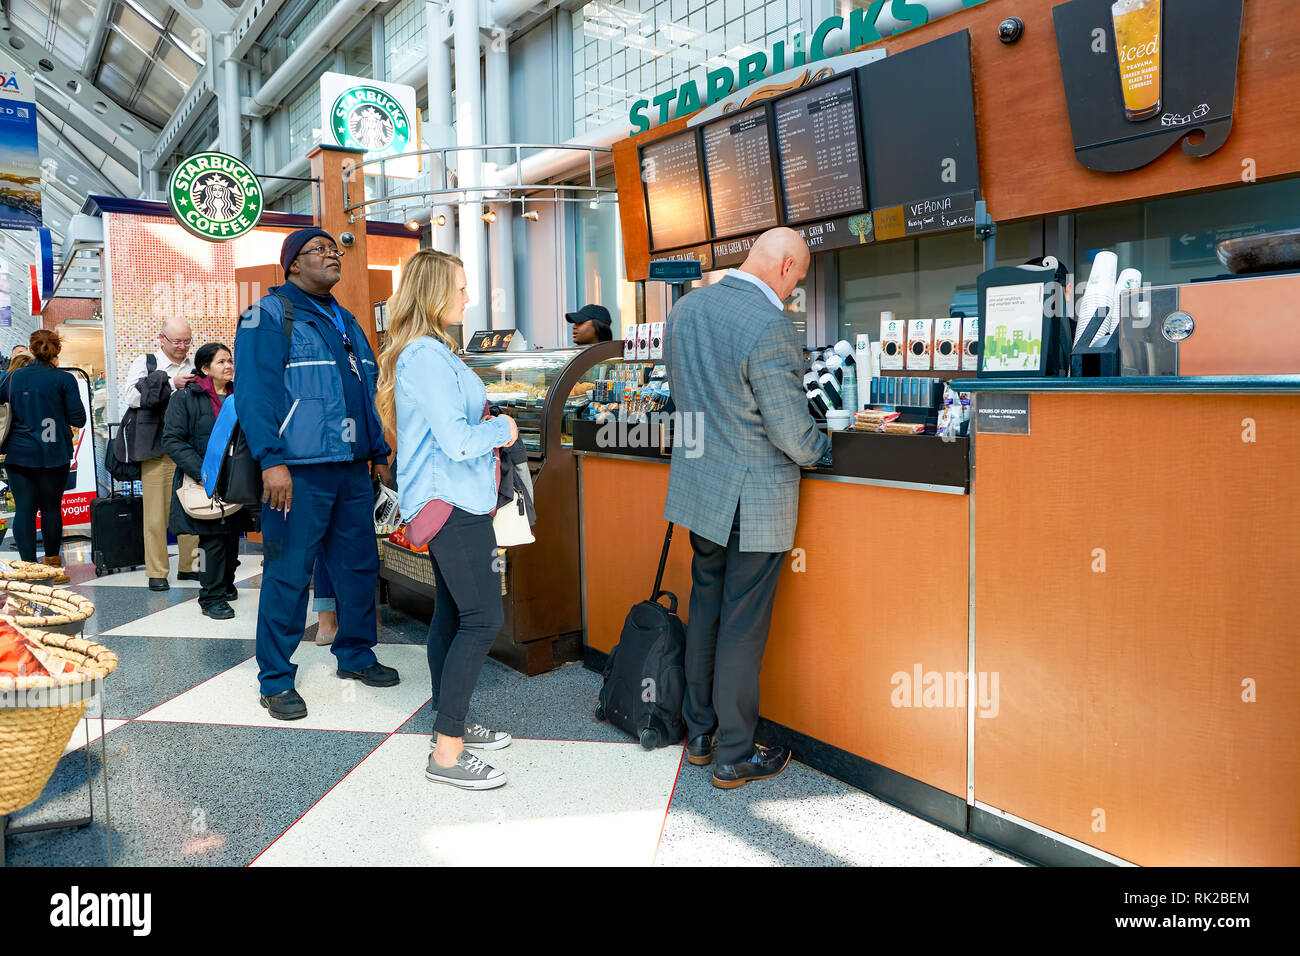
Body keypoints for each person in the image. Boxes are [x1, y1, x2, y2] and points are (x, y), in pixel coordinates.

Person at [663, 227, 832, 790]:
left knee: (707, 606)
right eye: (799, 279)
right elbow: (790, 430)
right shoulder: (769, 325)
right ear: (784, 266)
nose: (794, 291)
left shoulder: (686, 311)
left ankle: (702, 736)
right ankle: (736, 754)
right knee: (742, 624)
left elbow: (688, 402)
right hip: (753, 497)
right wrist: (822, 446)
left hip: (701, 489)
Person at [235, 228, 397, 721]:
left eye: (335, 249)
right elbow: (255, 394)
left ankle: (355, 654)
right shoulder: (267, 315)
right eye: (319, 250)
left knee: (357, 568)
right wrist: (272, 460)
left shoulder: (346, 318)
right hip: (297, 470)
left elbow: (362, 393)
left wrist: (378, 452)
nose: (332, 255)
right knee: (288, 574)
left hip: (351, 468)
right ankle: (276, 678)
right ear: (292, 264)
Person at [376, 248, 518, 790]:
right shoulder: (427, 357)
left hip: (452, 501)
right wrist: (502, 431)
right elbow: (458, 442)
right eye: (460, 287)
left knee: (453, 616)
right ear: (434, 291)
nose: (469, 297)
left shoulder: (431, 350)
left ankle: (447, 720)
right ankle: (448, 753)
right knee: (483, 619)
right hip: (452, 504)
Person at [160, 342, 255, 620]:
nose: (228, 366)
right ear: (204, 368)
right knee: (212, 539)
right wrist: (204, 471)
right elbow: (172, 440)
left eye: (229, 361)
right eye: (220, 362)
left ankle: (225, 584)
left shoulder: (240, 396)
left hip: (237, 479)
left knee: (231, 536)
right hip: (204, 479)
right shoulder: (186, 398)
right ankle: (210, 596)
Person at [0, 330, 86, 583]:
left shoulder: (12, 378)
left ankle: (28, 569)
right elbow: (78, 419)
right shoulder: (64, 379)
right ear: (57, 350)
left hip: (19, 453)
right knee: (51, 509)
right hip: (54, 453)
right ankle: (53, 568)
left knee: (25, 509)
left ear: (31, 348)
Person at [122, 318, 200, 591]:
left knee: (194, 505)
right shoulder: (147, 363)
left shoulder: (195, 365)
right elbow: (130, 397)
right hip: (156, 445)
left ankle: (190, 566)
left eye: (187, 341)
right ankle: (157, 571)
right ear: (162, 339)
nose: (182, 347)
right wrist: (170, 383)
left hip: (189, 445)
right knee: (155, 513)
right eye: (176, 341)